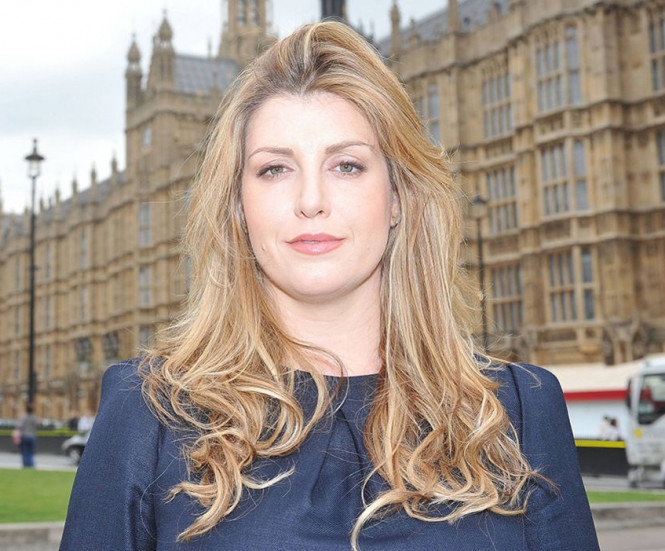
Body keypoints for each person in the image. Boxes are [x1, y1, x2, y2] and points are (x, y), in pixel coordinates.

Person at [60, 22, 599, 550]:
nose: (311, 200)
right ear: (238, 207)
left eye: (346, 165)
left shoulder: (520, 410)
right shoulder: (150, 412)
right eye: (275, 169)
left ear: (398, 197)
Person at [16, 404, 38, 468]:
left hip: (24, 436)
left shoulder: (23, 417)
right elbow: (36, 426)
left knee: (25, 451)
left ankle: (25, 464)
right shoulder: (34, 417)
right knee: (31, 452)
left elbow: (19, 426)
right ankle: (31, 464)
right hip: (32, 436)